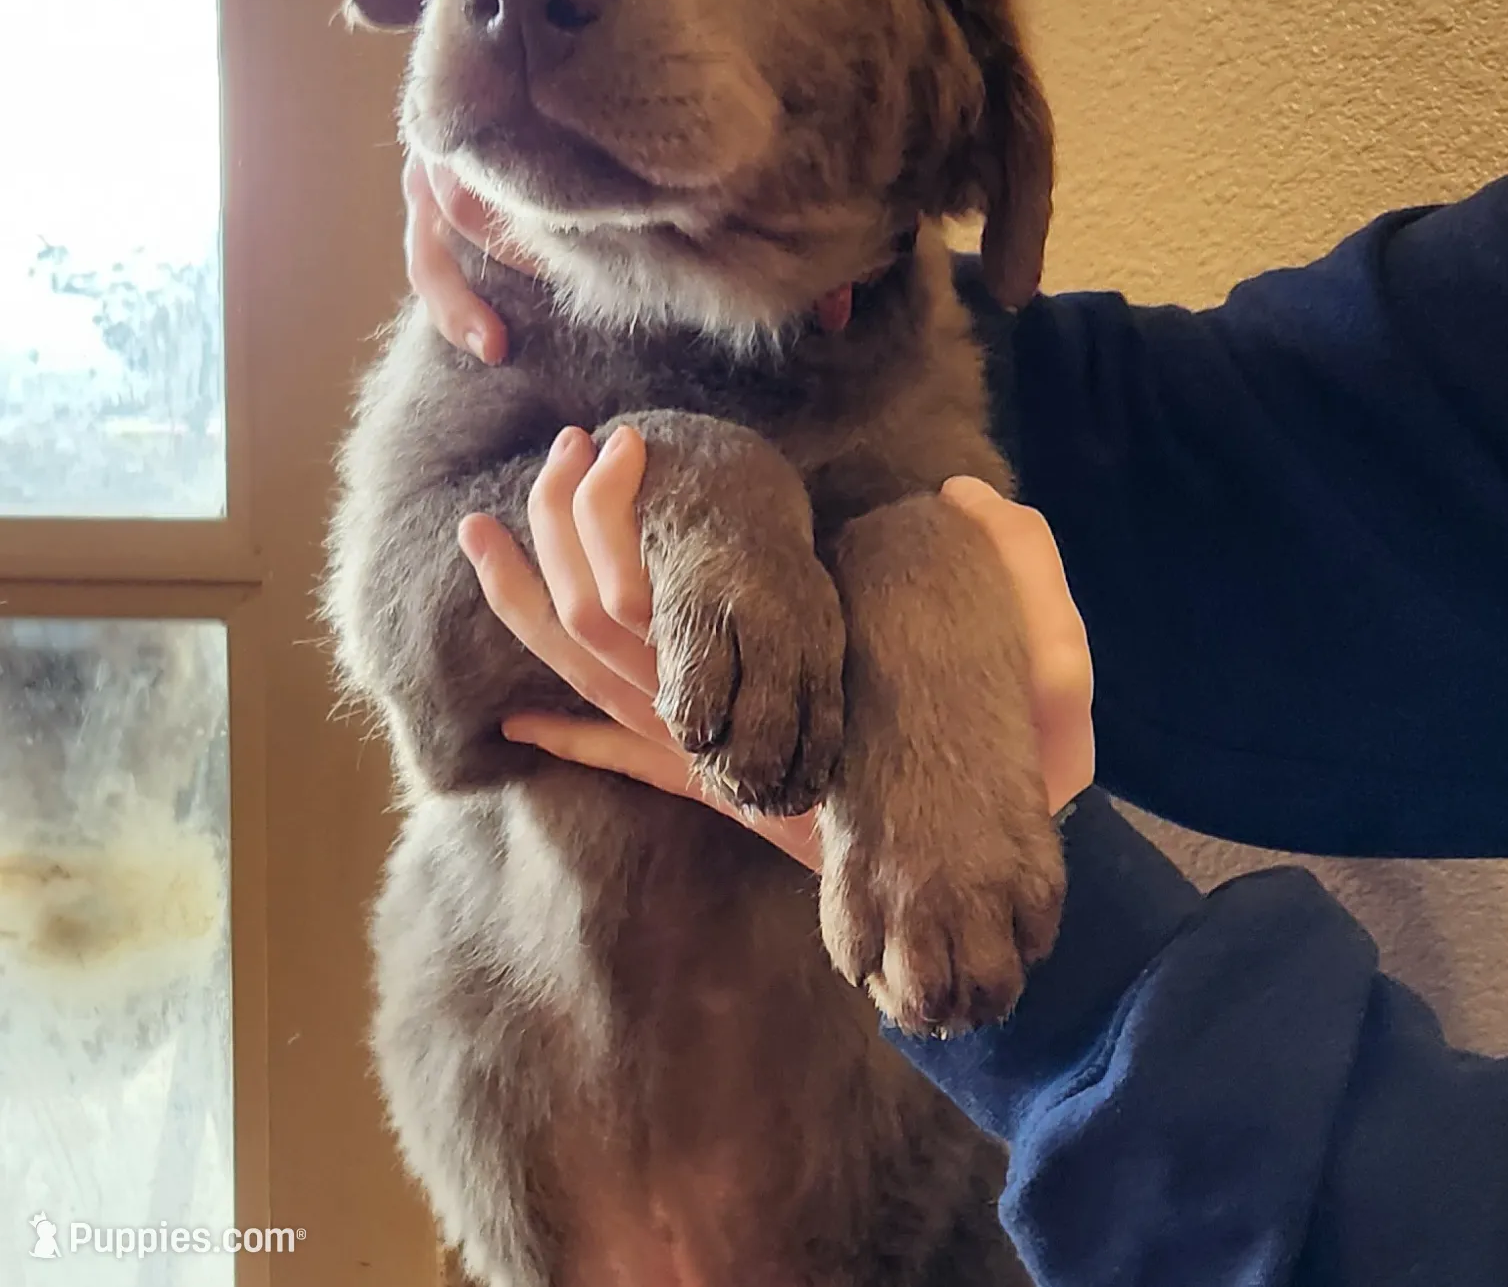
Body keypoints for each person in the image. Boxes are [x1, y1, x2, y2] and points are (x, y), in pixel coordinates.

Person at [406, 155, 1508, 1285]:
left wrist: (1105, 1007)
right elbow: (1276, 433)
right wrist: (717, 231)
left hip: (916, 1191)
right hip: (550, 1164)